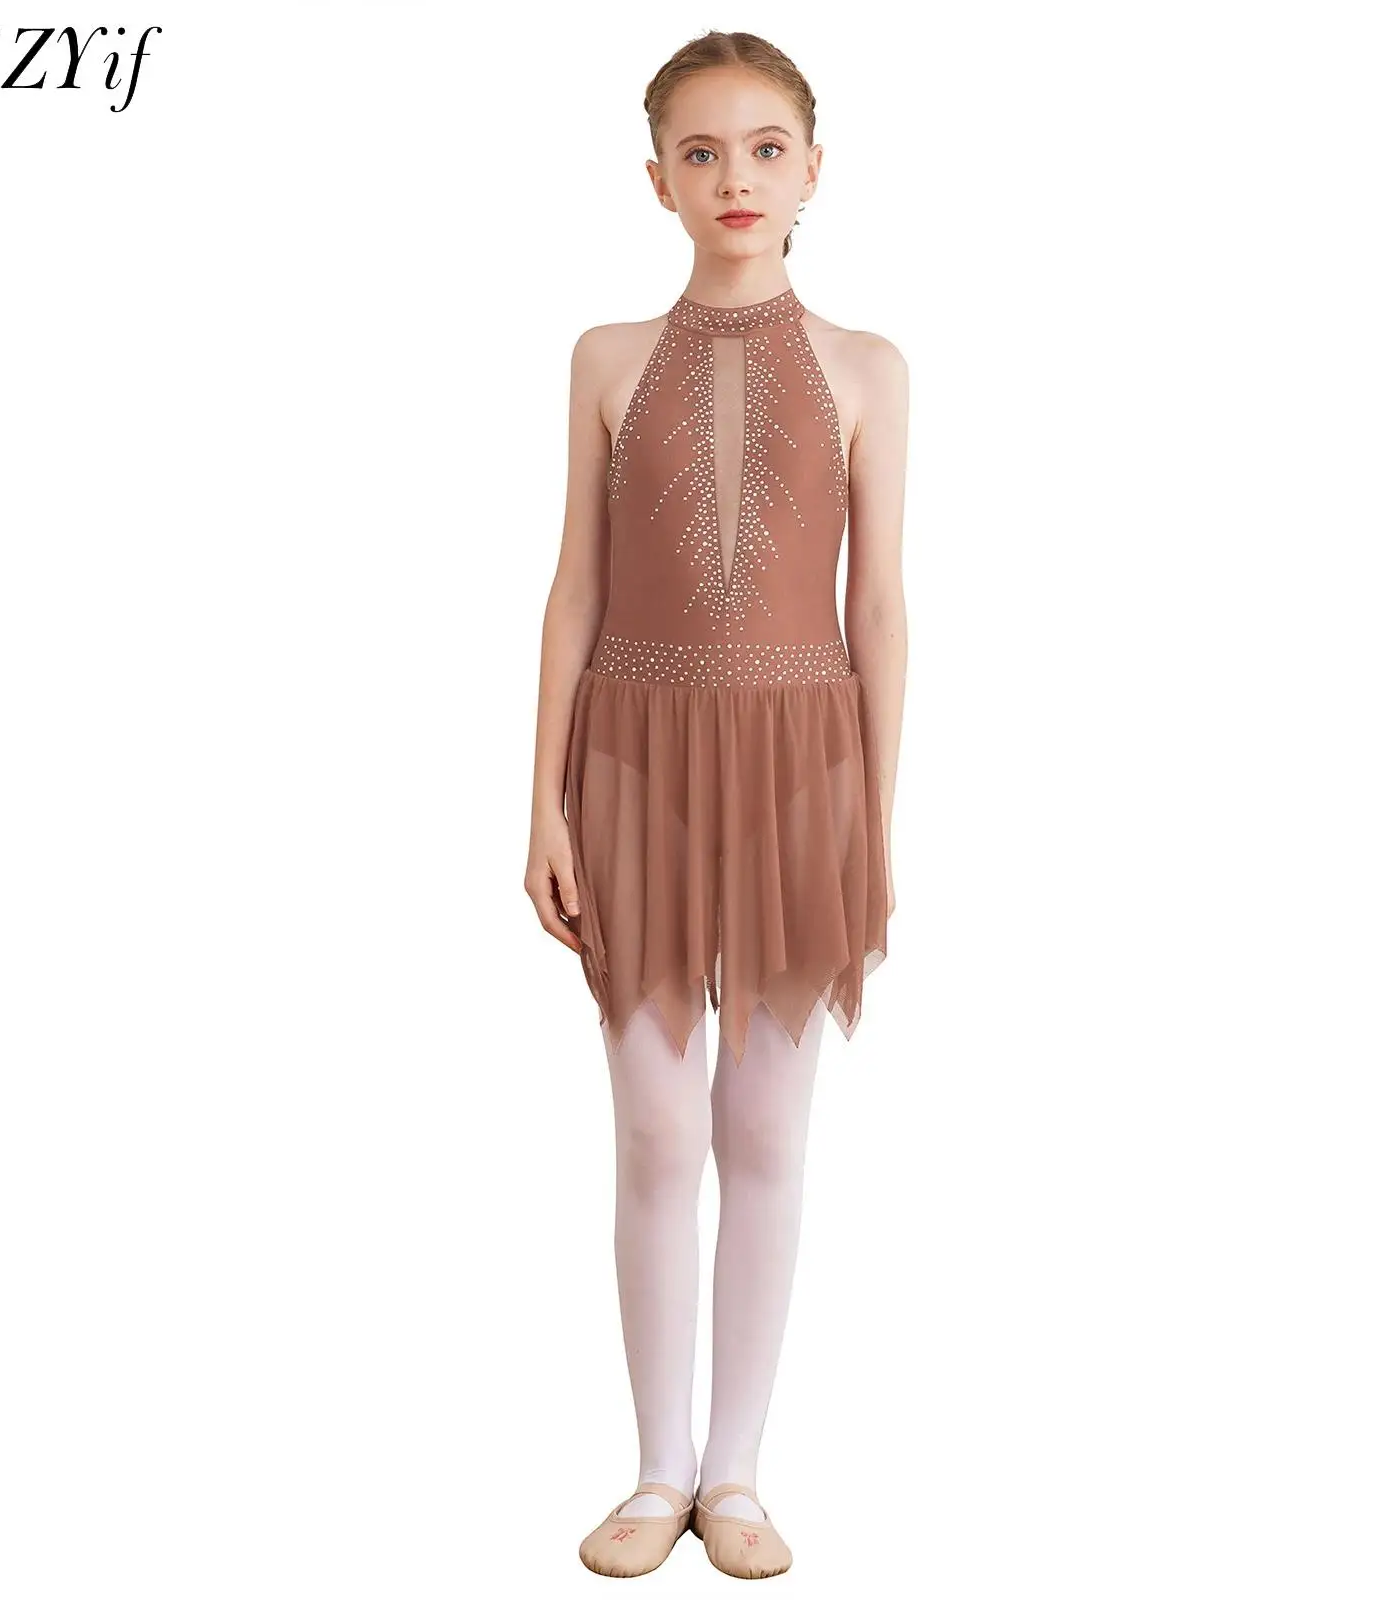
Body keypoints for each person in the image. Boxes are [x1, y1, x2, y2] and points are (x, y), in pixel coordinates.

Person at [525, 29, 908, 1580]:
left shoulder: (870, 368)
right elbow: (573, 588)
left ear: (813, 170)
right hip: (635, 761)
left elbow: (880, 605)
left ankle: (736, 1476)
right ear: (657, 181)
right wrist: (541, 802)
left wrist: (878, 816)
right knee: (652, 1124)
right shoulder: (606, 358)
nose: (734, 177)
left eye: (764, 149)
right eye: (701, 152)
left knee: (763, 1122)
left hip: (803, 769)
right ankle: (657, 1468)